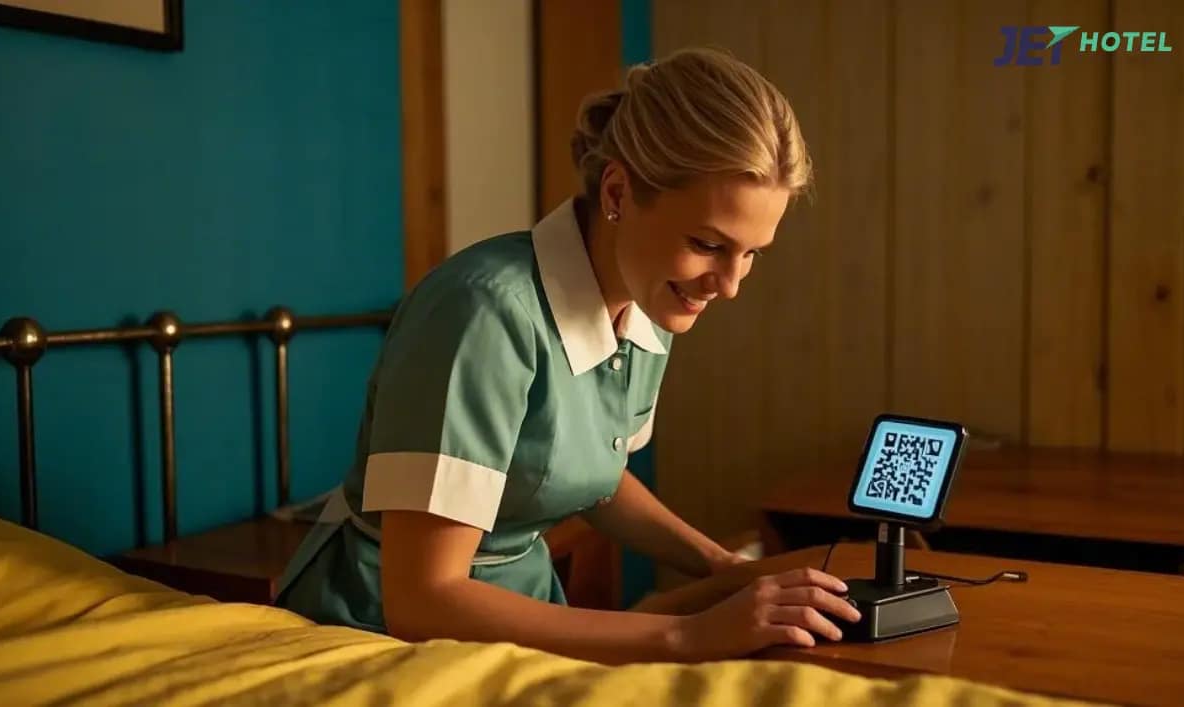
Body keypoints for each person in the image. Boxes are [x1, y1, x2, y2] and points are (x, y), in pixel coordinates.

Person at [275, 46, 861, 665]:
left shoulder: (650, 302)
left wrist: (721, 566)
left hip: (519, 619)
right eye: (708, 244)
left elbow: (591, 480)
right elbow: (423, 599)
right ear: (618, 190)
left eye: (751, 253)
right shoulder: (482, 313)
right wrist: (685, 633)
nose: (731, 284)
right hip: (377, 632)